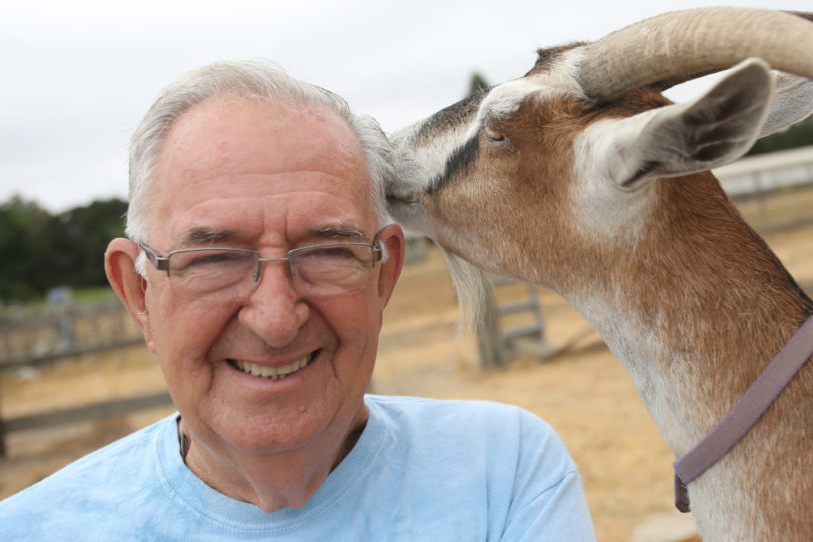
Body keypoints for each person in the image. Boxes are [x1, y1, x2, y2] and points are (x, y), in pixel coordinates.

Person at [0, 60, 596, 540]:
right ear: (138, 293)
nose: (277, 318)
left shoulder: (504, 473)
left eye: (327, 251)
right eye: (214, 257)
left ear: (382, 275)